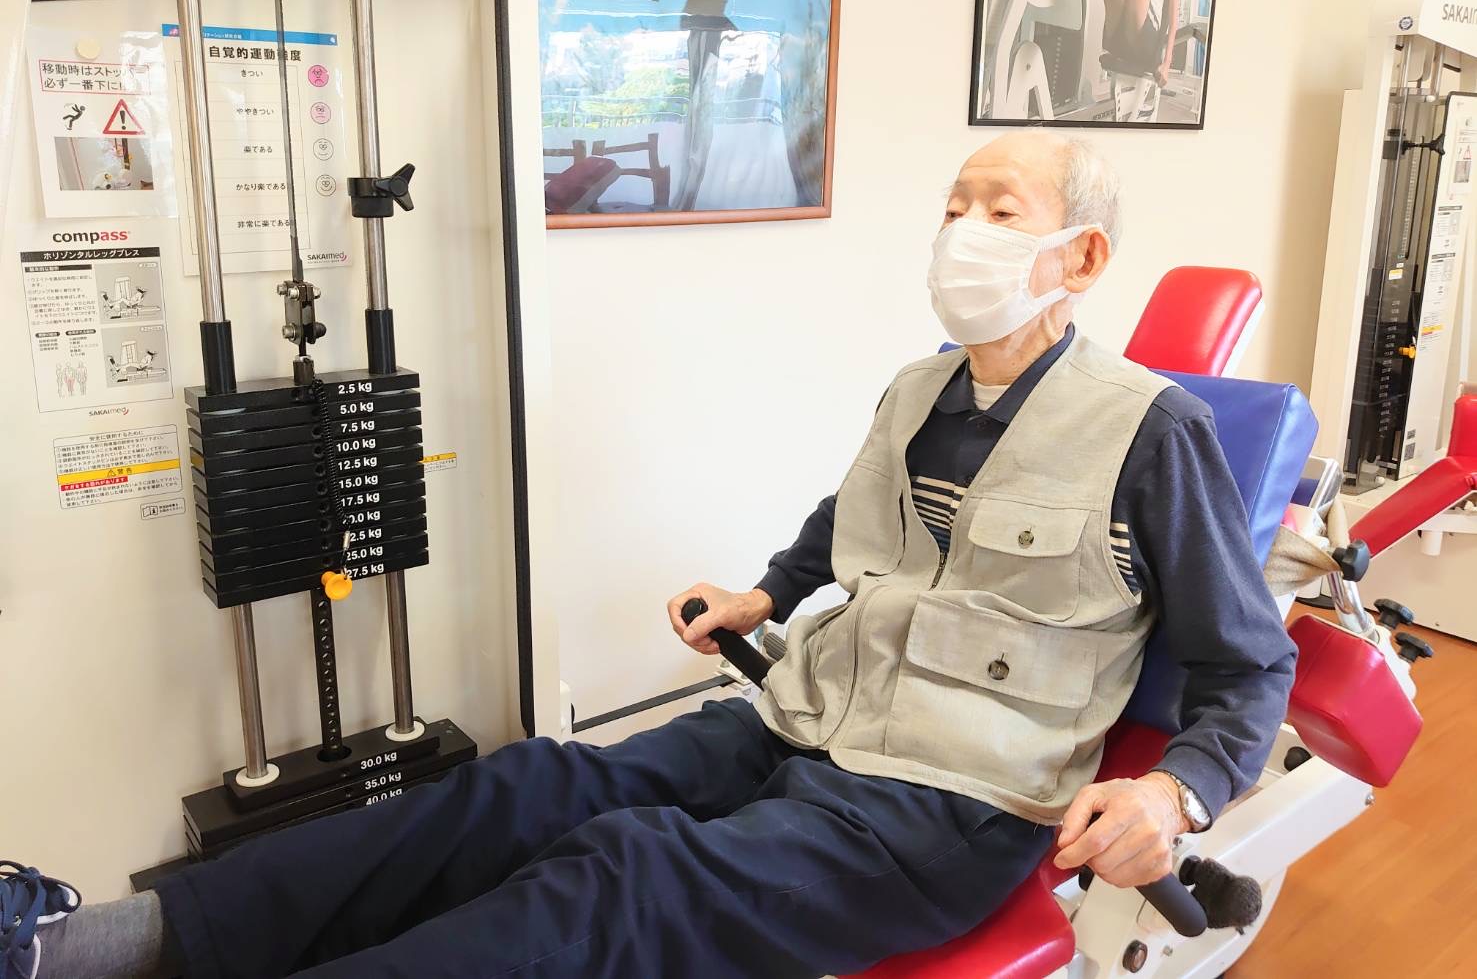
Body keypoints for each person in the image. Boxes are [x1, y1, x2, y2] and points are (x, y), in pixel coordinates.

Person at [1, 132, 1295, 979]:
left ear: (1079, 256)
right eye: (952, 205)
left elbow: (1249, 668)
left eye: (998, 210)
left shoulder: (1152, 433)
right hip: (807, 720)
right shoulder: (922, 387)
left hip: (945, 807)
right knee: (525, 789)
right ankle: (90, 944)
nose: (962, 230)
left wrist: (1172, 795)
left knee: (622, 882)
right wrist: (765, 592)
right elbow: (848, 521)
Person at [645, 0, 770, 211]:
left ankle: (695, 190)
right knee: (699, 99)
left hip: (714, 15)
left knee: (710, 98)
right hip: (702, 13)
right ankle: (688, 192)